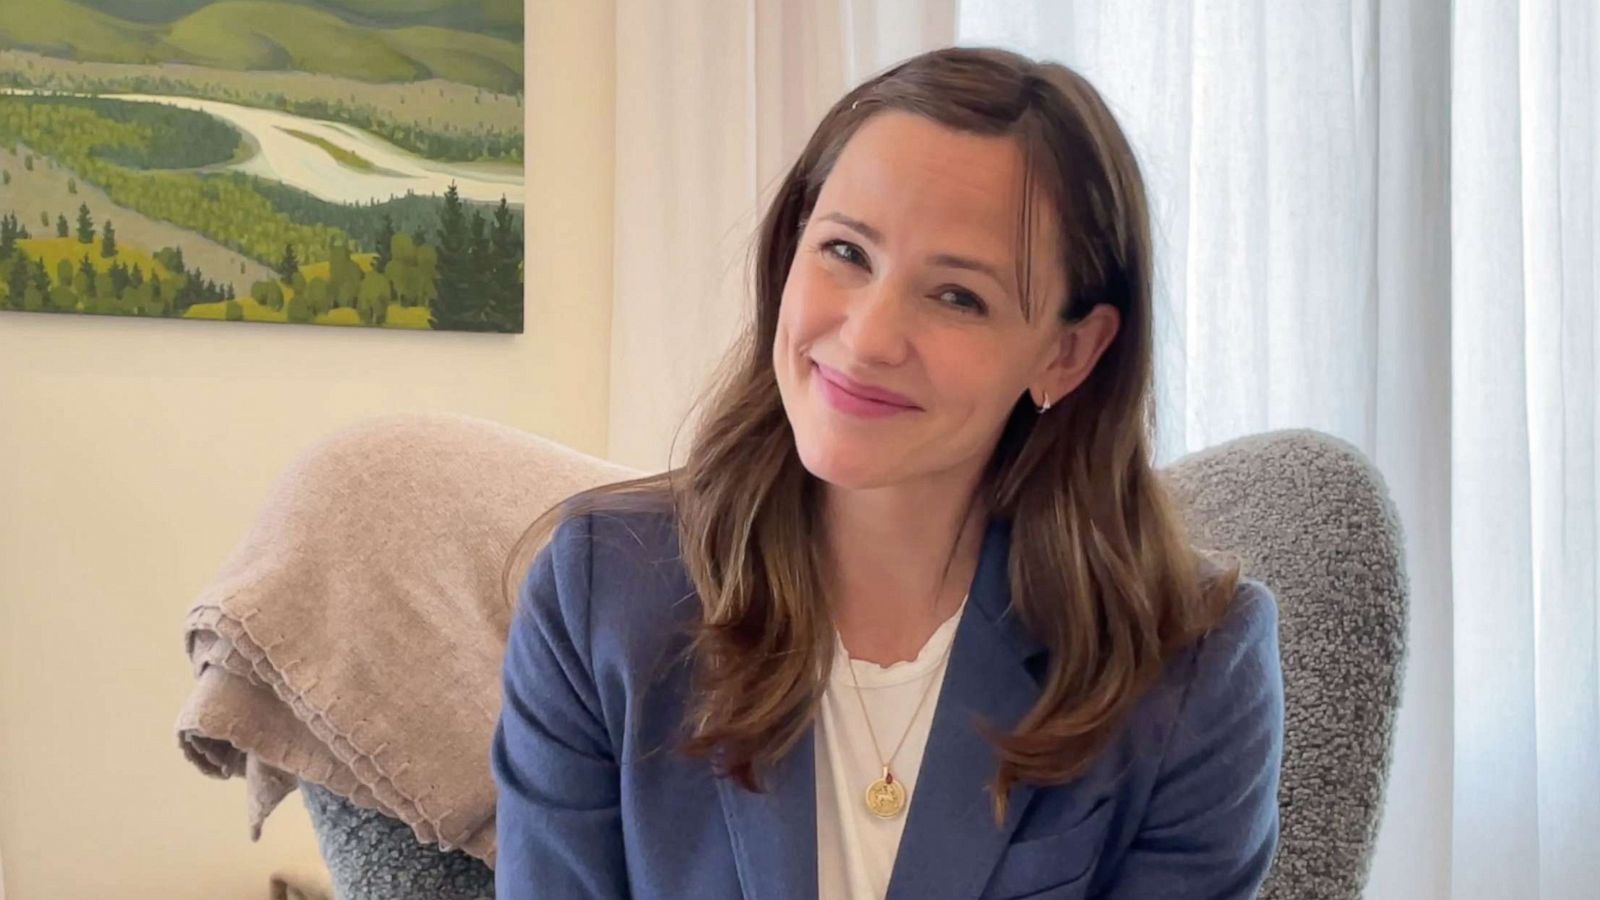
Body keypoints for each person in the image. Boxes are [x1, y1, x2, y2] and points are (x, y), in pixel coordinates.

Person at [491, 45, 1284, 900]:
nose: (868, 339)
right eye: (845, 252)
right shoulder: (600, 593)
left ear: (1068, 352)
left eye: (957, 297)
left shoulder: (1193, 665)